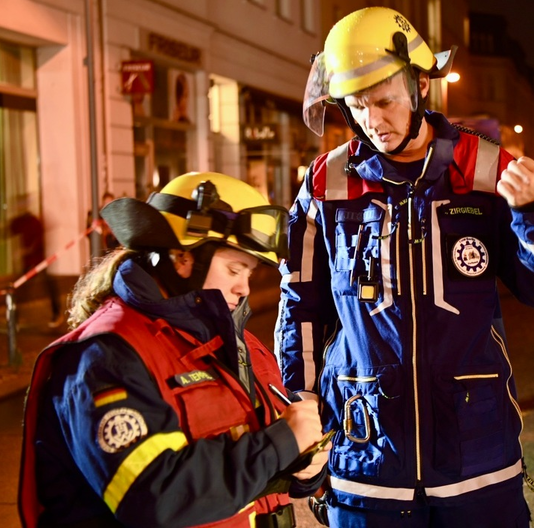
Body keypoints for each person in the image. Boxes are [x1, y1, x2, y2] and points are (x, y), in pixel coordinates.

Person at [275, 6, 534, 527]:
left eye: (386, 102)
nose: (374, 121)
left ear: (418, 87)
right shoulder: (328, 182)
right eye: (358, 106)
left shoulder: (484, 168)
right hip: (365, 454)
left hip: (476, 454)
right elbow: (301, 304)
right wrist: (302, 404)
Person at [18, 171, 330, 528]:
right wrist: (280, 445)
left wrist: (300, 467)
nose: (244, 288)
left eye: (250, 275)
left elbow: (250, 471)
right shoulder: (107, 357)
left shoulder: (243, 346)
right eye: (234, 270)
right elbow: (154, 497)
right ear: (183, 258)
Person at [9, 199, 62, 328]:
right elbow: (10, 228)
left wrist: (25, 251)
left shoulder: (34, 221)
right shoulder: (20, 221)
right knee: (20, 289)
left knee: (49, 286)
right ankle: (15, 318)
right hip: (28, 262)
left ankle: (57, 314)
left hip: (39, 261)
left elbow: (38, 241)